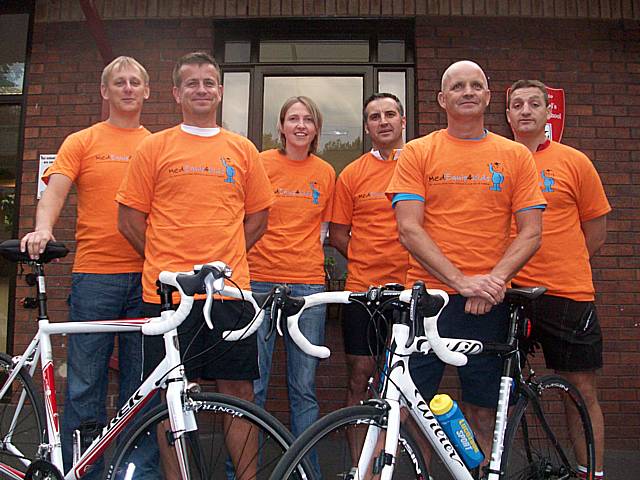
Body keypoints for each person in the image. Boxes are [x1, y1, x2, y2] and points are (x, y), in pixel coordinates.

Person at [116, 51, 273, 480]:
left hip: (229, 294)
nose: (201, 89)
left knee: (239, 394)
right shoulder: (154, 147)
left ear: (220, 91)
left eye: (209, 82)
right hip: (168, 297)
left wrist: (225, 258)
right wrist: (164, 260)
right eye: (192, 83)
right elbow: (129, 218)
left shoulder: (242, 149)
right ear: (176, 93)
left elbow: (258, 217)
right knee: (171, 398)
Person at [386, 60, 547, 457]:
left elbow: (531, 231)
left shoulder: (515, 156)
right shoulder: (418, 152)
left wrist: (491, 282)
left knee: (482, 409)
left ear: (489, 98)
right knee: (408, 408)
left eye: (477, 85)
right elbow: (409, 229)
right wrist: (461, 282)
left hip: (487, 303)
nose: (468, 92)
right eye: (458, 86)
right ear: (442, 99)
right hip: (428, 301)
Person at [20, 56, 150, 478]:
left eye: (135, 82)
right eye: (119, 82)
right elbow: (55, 192)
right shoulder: (83, 140)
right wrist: (42, 229)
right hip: (95, 277)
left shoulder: (157, 144)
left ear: (147, 92)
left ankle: (133, 472)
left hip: (148, 278)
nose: (128, 88)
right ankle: (83, 472)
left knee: (142, 388)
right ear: (105, 91)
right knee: (85, 385)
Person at [506, 79, 611, 480]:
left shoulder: (575, 161)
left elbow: (595, 232)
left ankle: (592, 472)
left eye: (535, 103)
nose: (526, 110)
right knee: (496, 393)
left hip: (567, 293)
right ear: (508, 114)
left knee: (580, 391)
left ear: (548, 112)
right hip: (511, 295)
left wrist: (564, 262)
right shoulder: (499, 159)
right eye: (518, 104)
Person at [248, 96, 335, 477]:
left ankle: (307, 473)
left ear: (315, 129)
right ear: (281, 127)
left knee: (303, 388)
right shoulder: (261, 163)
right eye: (292, 118)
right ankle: (244, 471)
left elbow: (323, 232)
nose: (300, 125)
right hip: (259, 281)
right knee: (254, 385)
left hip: (307, 285)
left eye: (308, 119)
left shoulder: (326, 172)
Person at [330, 92, 408, 407]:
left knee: (407, 380)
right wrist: (366, 257)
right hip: (364, 291)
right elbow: (337, 234)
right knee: (359, 377)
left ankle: (406, 455)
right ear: (366, 128)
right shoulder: (352, 173)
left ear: (403, 121)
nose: (383, 122)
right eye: (375, 117)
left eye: (390, 114)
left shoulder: (422, 165)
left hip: (411, 289)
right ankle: (358, 459)